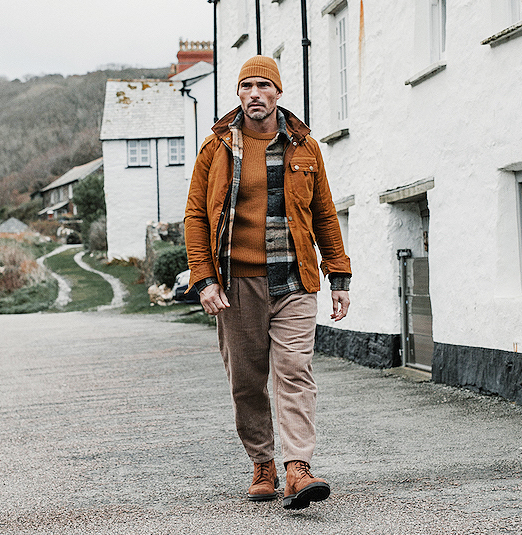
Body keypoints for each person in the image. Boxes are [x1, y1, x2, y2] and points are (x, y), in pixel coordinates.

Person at [184, 56, 351, 510]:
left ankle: (298, 467)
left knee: (295, 371)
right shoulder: (215, 148)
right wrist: (204, 279)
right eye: (246, 86)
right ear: (238, 94)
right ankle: (263, 463)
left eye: (263, 85)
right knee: (246, 379)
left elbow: (324, 215)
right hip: (237, 283)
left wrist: (339, 274)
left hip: (295, 279)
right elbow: (196, 216)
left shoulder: (304, 146)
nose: (254, 93)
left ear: (278, 93)